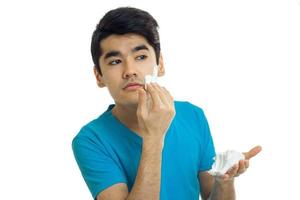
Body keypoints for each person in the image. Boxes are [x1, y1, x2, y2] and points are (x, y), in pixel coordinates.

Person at [72, 7, 262, 200]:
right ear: (99, 76)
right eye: (115, 61)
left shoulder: (193, 116)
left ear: (160, 64)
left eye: (140, 57)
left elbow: (210, 195)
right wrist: (154, 136)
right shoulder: (91, 140)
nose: (130, 71)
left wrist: (225, 181)